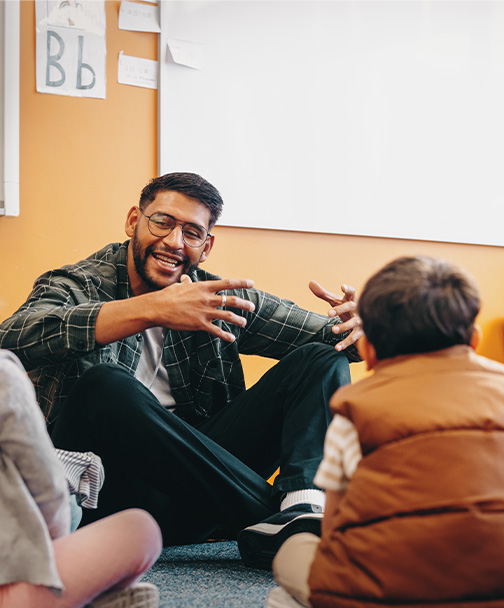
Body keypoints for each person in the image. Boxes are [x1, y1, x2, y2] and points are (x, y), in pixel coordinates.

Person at [0, 172, 363, 565]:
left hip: (196, 492)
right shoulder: (77, 283)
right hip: (103, 496)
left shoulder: (220, 297)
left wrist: (364, 327)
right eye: (163, 222)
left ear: (206, 247)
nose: (174, 242)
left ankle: (302, 505)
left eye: (191, 232)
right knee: (104, 386)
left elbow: (335, 338)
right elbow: (13, 338)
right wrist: (149, 309)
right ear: (133, 221)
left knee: (322, 357)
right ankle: (287, 521)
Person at [265, 256, 504, 608]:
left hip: (396, 592)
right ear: (474, 340)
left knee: (293, 552)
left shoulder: (356, 409)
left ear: (368, 351)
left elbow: (338, 522)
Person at [0, 349, 162, 608]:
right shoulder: (4, 377)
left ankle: (91, 597)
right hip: (11, 589)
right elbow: (48, 487)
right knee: (142, 528)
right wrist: (58, 550)